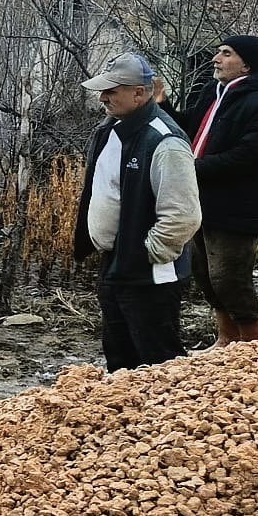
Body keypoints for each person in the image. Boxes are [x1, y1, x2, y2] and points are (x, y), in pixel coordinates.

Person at [72, 52, 203, 372]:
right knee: (120, 360)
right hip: (116, 267)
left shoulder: (165, 141)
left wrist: (146, 253)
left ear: (139, 93)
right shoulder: (113, 129)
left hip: (149, 276)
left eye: (111, 91)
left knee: (159, 364)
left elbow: (184, 215)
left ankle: (170, 421)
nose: (103, 97)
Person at [164, 34, 258, 343]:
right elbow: (188, 129)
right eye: (218, 52)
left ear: (246, 64)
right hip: (202, 201)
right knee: (206, 275)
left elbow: (253, 154)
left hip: (237, 206)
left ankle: (256, 346)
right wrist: (162, 105)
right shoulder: (213, 92)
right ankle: (227, 340)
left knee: (229, 278)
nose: (216, 59)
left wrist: (195, 168)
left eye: (226, 54)